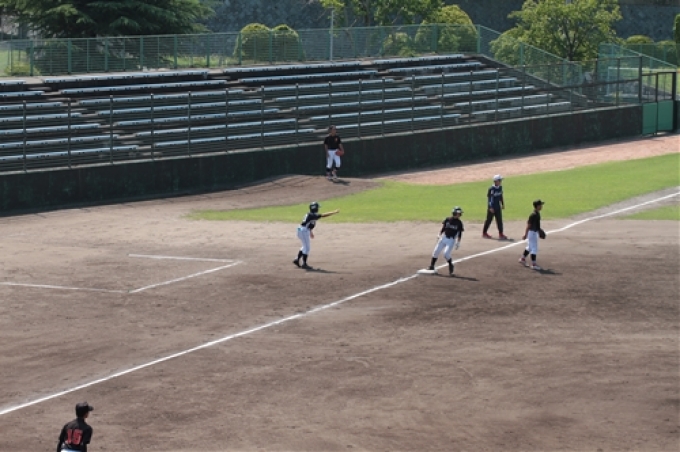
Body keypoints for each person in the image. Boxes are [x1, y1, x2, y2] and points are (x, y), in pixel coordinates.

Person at [293, 202, 340, 268]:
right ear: (315, 208)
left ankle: (297, 259)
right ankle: (304, 264)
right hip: (303, 230)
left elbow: (309, 223)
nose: (318, 209)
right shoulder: (312, 215)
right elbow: (323, 215)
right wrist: (334, 212)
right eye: (317, 207)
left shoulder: (311, 214)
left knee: (304, 246)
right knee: (307, 248)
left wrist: (310, 232)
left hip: (302, 230)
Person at [427, 206, 464, 276]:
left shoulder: (459, 223)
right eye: (459, 213)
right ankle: (432, 266)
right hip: (444, 237)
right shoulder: (447, 219)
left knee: (446, 254)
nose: (460, 215)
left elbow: (460, 233)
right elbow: (443, 228)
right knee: (436, 251)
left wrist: (458, 242)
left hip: (451, 240)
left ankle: (450, 264)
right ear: (455, 213)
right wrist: (439, 234)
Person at [519, 199, 545, 270]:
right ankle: (534, 264)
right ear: (537, 206)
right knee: (534, 248)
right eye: (540, 205)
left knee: (530, 247)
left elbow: (536, 225)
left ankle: (522, 259)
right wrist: (525, 235)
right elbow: (529, 225)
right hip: (532, 233)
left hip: (534, 232)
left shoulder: (537, 213)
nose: (541, 206)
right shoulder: (533, 215)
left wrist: (539, 231)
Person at [482, 174, 507, 239]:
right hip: (492, 208)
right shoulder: (491, 189)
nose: (501, 181)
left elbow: (501, 196)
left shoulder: (500, 188)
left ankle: (501, 233)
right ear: (496, 181)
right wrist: (490, 207)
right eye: (500, 180)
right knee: (489, 220)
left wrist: (502, 204)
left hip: (498, 207)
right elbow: (490, 199)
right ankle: (484, 233)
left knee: (499, 220)